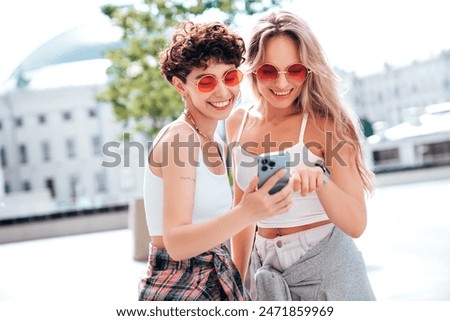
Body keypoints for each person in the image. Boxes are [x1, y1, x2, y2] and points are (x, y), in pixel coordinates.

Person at [138, 20, 294, 301]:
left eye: (230, 77)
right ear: (180, 86)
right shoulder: (180, 139)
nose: (223, 92)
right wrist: (247, 212)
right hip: (180, 288)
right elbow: (176, 243)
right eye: (207, 81)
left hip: (215, 279)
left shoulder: (215, 143)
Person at [226, 10, 376, 300]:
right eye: (269, 71)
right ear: (253, 69)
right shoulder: (237, 122)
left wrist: (320, 180)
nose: (282, 84)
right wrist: (236, 281)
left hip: (328, 269)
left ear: (308, 70)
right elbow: (242, 210)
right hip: (265, 273)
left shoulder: (327, 124)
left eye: (294, 70)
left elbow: (356, 224)